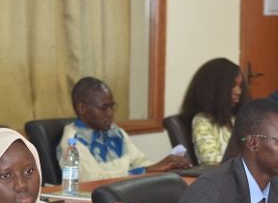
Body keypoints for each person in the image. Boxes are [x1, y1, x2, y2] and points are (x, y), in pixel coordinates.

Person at [56, 77, 191, 181]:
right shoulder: (72, 141)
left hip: (126, 193)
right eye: (104, 108)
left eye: (112, 106)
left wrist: (165, 167)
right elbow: (89, 181)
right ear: (82, 108)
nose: (110, 113)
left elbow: (139, 162)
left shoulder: (115, 132)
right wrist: (146, 171)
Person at [180, 58, 249, 164]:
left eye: (240, 86)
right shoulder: (202, 122)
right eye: (233, 85)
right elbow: (212, 162)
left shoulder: (234, 119)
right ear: (215, 88)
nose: (239, 91)